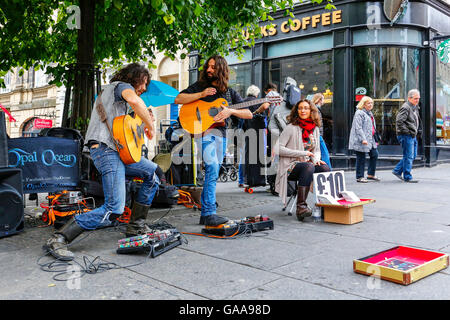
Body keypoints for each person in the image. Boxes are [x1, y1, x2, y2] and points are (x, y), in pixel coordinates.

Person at [44, 63, 160, 261]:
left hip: (117, 152)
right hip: (106, 151)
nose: (144, 88)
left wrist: (144, 126)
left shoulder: (114, 98)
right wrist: (151, 125)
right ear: (135, 77)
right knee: (114, 208)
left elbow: (125, 131)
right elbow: (135, 101)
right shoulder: (121, 86)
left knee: (153, 173)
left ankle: (135, 226)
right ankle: (60, 237)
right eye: (144, 83)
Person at [174, 55, 252, 226]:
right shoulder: (201, 86)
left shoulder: (230, 93)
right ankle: (209, 212)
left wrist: (231, 112)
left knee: (213, 172)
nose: (209, 70)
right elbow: (179, 99)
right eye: (208, 67)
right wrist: (201, 94)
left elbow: (249, 113)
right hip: (204, 133)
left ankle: (205, 213)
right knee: (212, 167)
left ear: (221, 70)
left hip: (221, 136)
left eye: (213, 67)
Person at [274, 99, 330, 222]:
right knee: (307, 166)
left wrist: (316, 160)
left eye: (306, 108)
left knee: (324, 168)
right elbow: (277, 149)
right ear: (296, 111)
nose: (303, 110)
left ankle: (326, 205)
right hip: (289, 166)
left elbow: (316, 150)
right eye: (300, 108)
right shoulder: (291, 127)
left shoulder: (314, 128)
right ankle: (301, 207)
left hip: (306, 164)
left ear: (311, 111)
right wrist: (303, 153)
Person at [348, 96, 380, 183]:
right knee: (361, 158)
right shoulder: (359, 113)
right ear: (363, 104)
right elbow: (358, 128)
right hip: (361, 139)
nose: (370, 105)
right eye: (368, 103)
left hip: (370, 139)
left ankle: (370, 174)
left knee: (374, 154)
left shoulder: (369, 113)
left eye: (371, 103)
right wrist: (363, 139)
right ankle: (359, 177)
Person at [392, 89, 422, 183]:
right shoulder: (406, 107)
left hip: (412, 135)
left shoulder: (414, 107)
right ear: (409, 98)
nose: (417, 100)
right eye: (415, 98)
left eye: (418, 98)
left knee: (412, 156)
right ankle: (407, 176)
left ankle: (397, 170)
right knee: (408, 156)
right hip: (406, 135)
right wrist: (408, 131)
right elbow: (399, 121)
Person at [238, 84, 261, 187]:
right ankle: (251, 178)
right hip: (254, 131)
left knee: (243, 155)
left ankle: (241, 180)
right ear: (256, 94)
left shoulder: (243, 101)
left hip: (242, 130)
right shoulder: (257, 103)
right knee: (251, 156)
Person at [312, 93, 332, 170]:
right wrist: (319, 135)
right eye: (323, 99)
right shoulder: (316, 109)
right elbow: (317, 124)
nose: (323, 101)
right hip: (317, 135)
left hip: (317, 135)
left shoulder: (316, 109)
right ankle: (329, 171)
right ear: (319, 100)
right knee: (325, 153)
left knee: (320, 153)